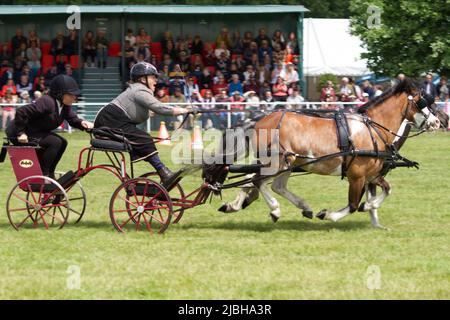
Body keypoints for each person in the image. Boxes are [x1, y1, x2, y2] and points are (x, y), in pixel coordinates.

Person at [93, 62, 191, 184]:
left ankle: (163, 171)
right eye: (152, 77)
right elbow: (159, 108)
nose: (156, 80)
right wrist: (184, 110)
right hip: (110, 121)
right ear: (142, 79)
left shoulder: (137, 90)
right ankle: (163, 172)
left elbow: (142, 109)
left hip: (111, 120)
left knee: (141, 138)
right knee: (144, 138)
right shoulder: (139, 90)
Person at [6, 75, 93, 178]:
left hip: (35, 131)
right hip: (19, 132)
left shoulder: (64, 105)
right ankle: (44, 174)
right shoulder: (47, 102)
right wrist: (20, 133)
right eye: (71, 95)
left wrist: (83, 123)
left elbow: (72, 119)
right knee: (55, 142)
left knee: (63, 142)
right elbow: (22, 111)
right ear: (60, 94)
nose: (75, 98)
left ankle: (50, 173)